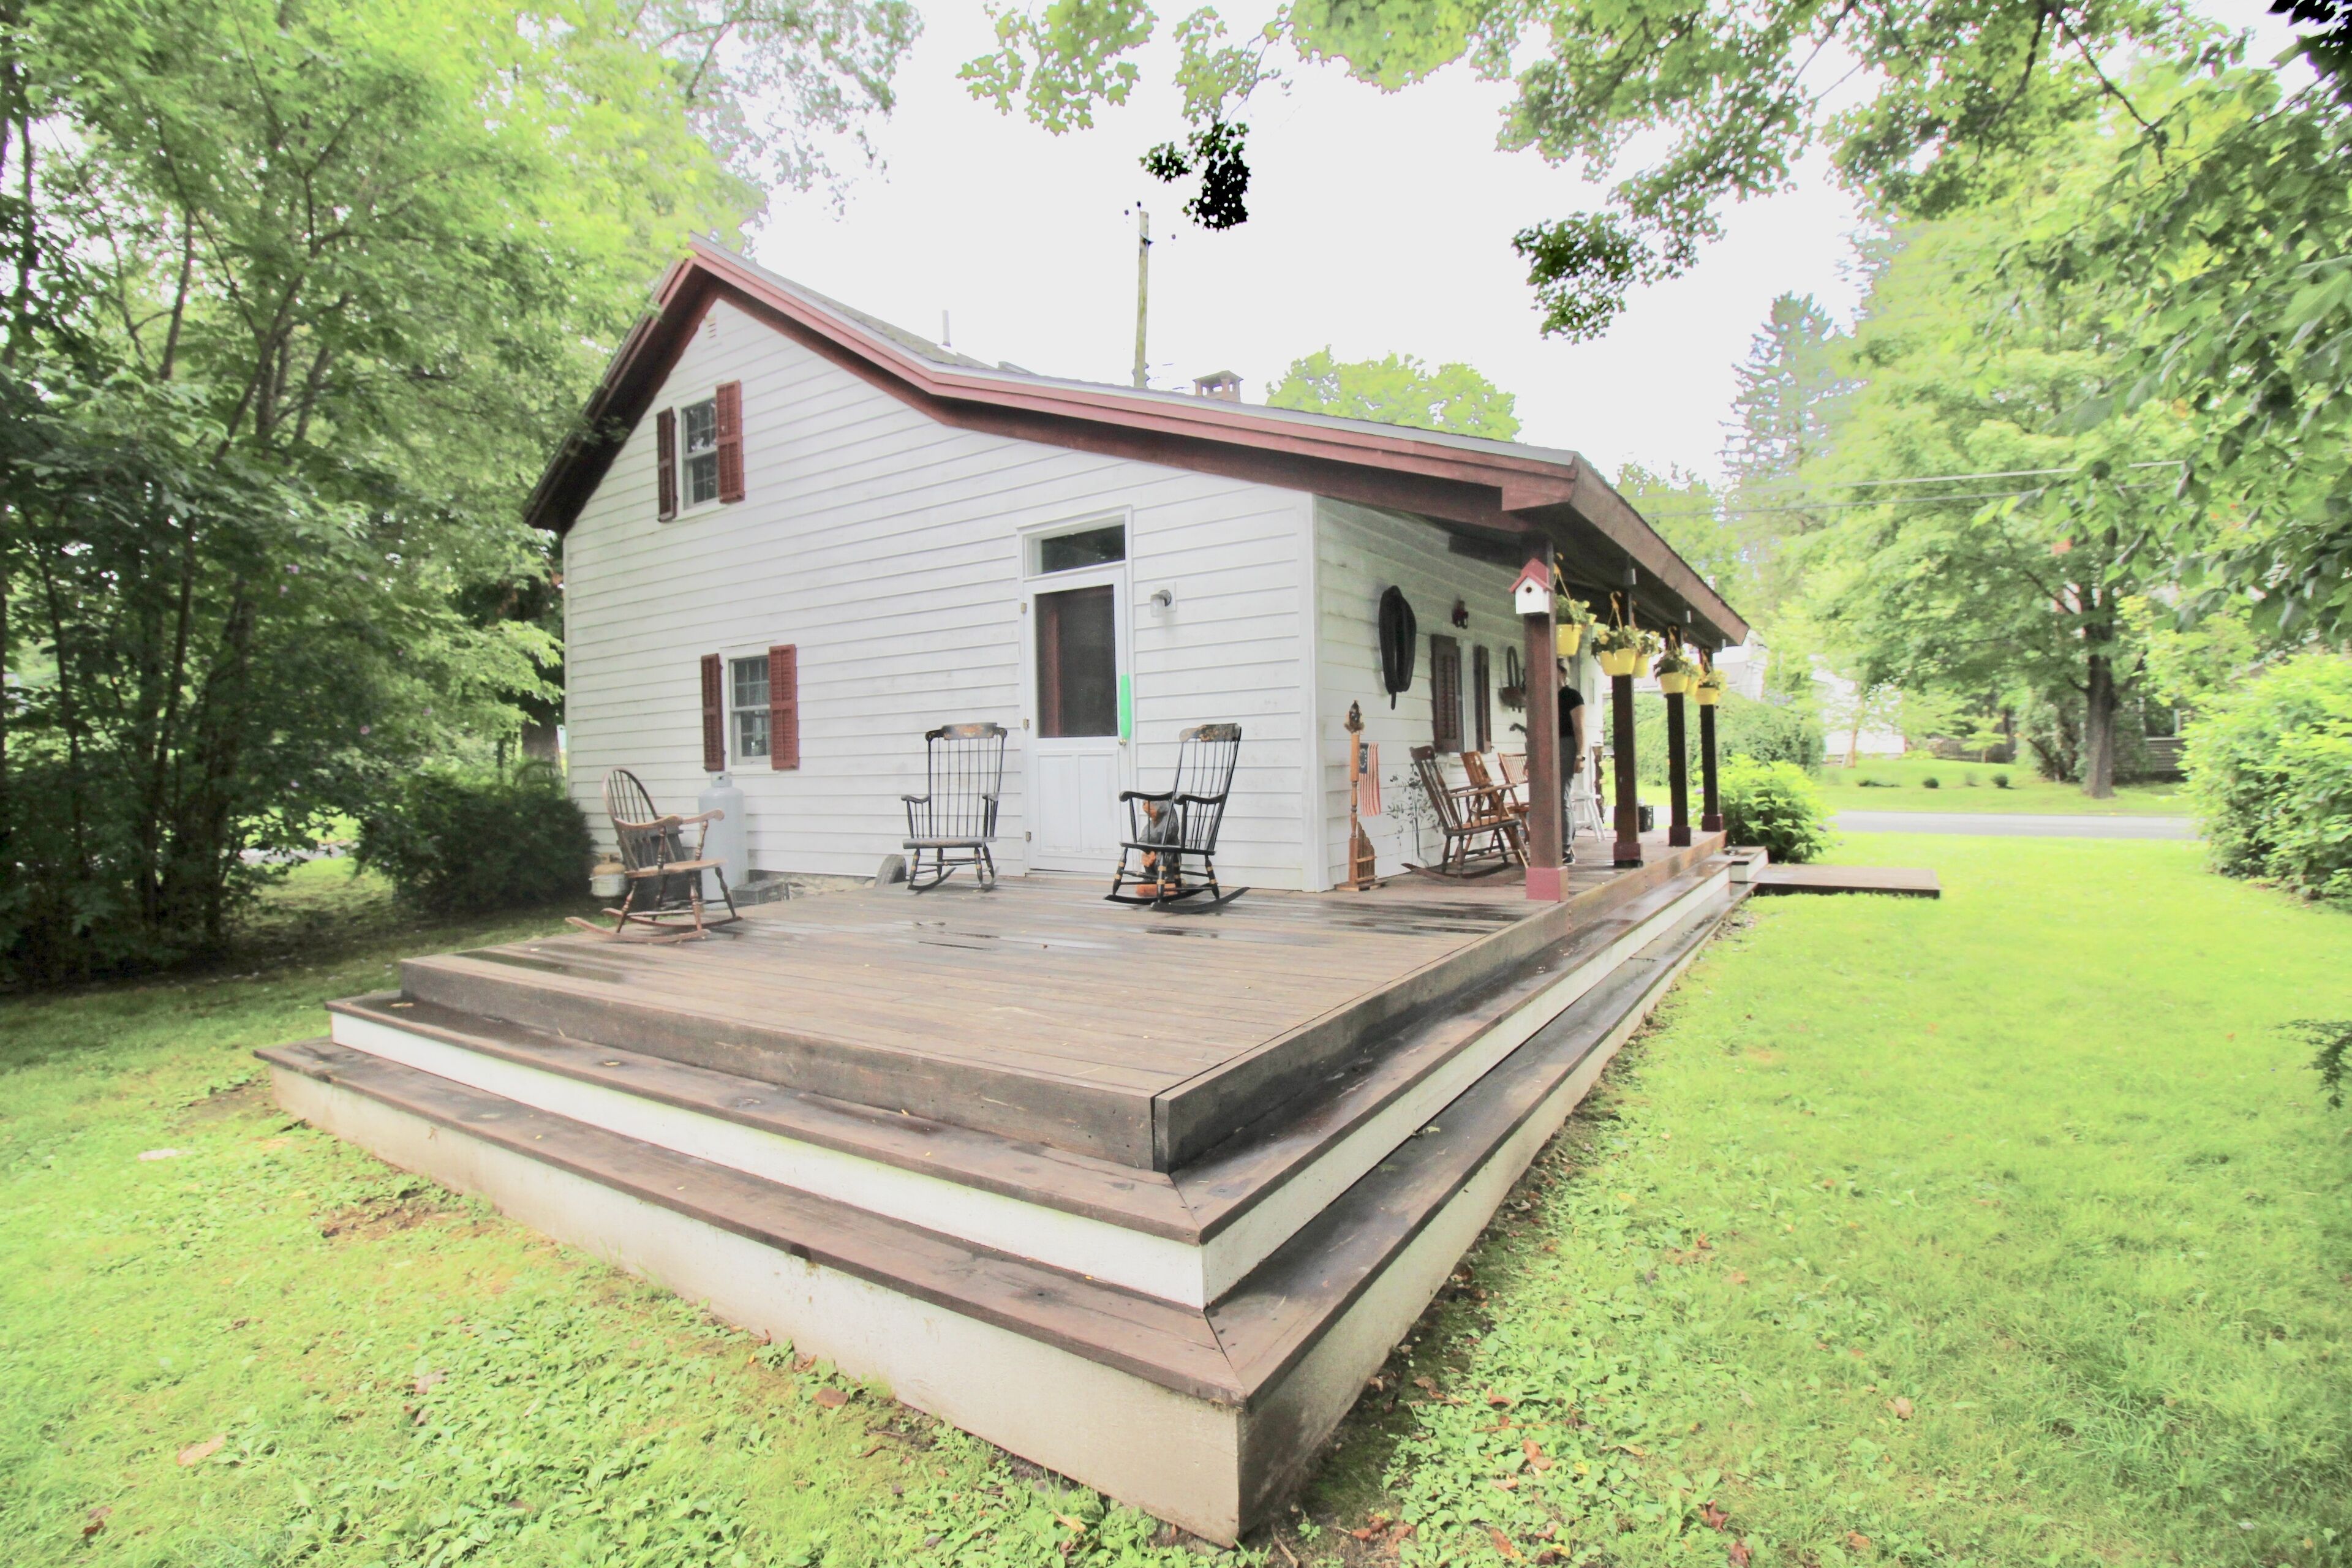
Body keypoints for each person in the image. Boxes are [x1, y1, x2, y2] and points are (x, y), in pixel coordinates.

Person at [1558, 660, 1585, 859]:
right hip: (1546, 749)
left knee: (1561, 797)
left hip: (1567, 746)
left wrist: (1580, 755)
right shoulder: (1543, 695)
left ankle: (1565, 849)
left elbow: (1579, 728)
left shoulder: (1571, 696)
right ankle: (1550, 844)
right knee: (1545, 799)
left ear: (1562, 672)